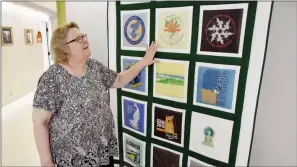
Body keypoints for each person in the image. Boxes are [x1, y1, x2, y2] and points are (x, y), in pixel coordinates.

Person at [32, 21, 158, 167]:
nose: (85, 39)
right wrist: (46, 162)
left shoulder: (93, 67)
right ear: (64, 48)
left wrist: (142, 63)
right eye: (78, 39)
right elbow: (39, 122)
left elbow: (119, 80)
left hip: (101, 152)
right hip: (72, 159)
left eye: (83, 36)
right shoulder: (52, 78)